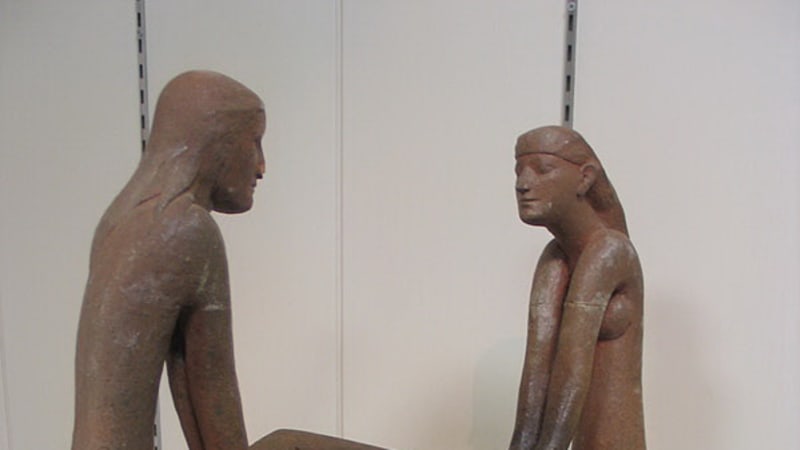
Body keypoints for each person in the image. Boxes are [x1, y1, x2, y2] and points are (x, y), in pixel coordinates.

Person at [72, 71, 386, 450]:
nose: (261, 166)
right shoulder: (189, 231)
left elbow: (189, 393)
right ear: (216, 142)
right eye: (255, 143)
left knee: (285, 442)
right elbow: (222, 437)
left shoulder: (125, 219)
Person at [508, 126, 645, 450]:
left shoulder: (610, 251)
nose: (522, 183)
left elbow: (573, 370)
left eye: (542, 169)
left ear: (585, 178)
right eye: (519, 171)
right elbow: (537, 367)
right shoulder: (554, 257)